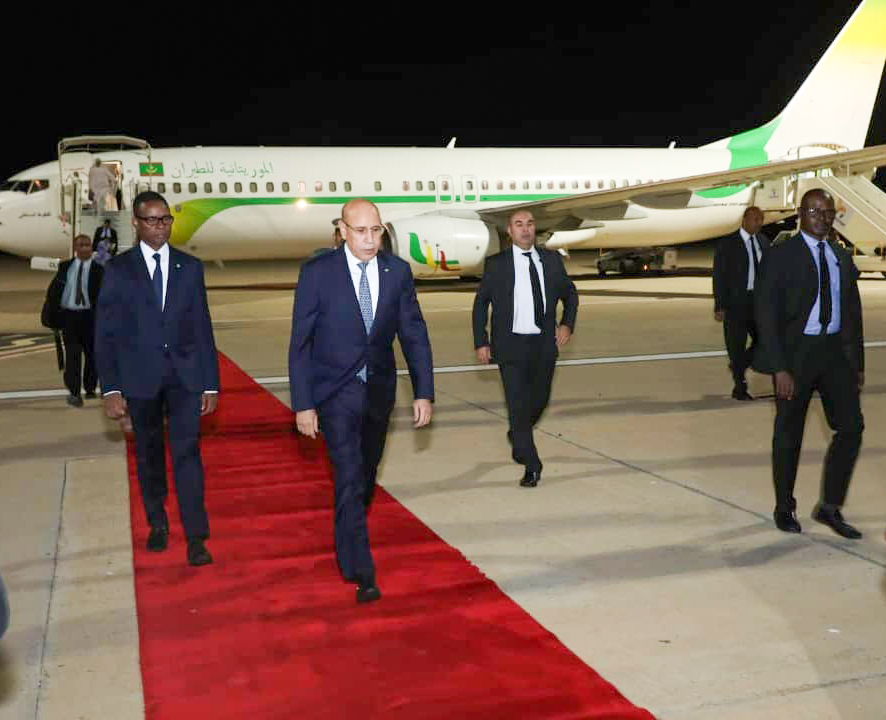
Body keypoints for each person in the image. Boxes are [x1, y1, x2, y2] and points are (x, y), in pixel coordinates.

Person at [289, 198, 434, 604]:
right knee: (349, 475)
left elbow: (413, 333)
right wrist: (303, 404)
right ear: (342, 231)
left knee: (365, 476)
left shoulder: (397, 271)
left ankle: (346, 533)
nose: (370, 240)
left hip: (379, 391)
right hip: (335, 392)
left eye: (376, 231)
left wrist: (423, 391)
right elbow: (300, 343)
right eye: (361, 231)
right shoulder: (318, 273)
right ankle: (363, 570)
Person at [95, 191, 220, 566]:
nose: (160, 226)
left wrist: (210, 382)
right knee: (149, 456)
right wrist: (111, 388)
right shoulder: (118, 270)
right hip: (140, 379)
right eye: (151, 220)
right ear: (135, 223)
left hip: (185, 379)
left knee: (187, 455)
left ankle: (196, 536)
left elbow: (202, 326)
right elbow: (106, 333)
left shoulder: (190, 267)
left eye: (165, 219)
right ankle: (158, 523)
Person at [754, 189, 865, 538]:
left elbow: (853, 313)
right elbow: (766, 314)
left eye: (828, 212)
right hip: (795, 356)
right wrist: (778, 367)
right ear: (801, 214)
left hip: (834, 354)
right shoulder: (781, 255)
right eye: (814, 211)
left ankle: (829, 506)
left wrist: (856, 364)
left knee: (852, 428)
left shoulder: (840, 256)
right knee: (789, 433)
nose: (822, 218)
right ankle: (784, 506)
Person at [472, 209, 578, 488]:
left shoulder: (551, 260)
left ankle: (518, 435)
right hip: (510, 346)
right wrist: (481, 341)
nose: (525, 229)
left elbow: (570, 294)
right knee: (517, 406)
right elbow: (481, 304)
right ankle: (532, 464)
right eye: (518, 224)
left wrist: (566, 324)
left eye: (530, 223)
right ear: (509, 231)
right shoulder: (497, 264)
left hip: (543, 344)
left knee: (539, 401)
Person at [713, 206, 770, 400]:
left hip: (759, 301)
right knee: (735, 345)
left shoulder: (763, 242)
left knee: (764, 340)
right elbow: (719, 276)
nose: (759, 224)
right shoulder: (728, 244)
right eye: (755, 219)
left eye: (761, 220)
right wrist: (720, 305)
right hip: (736, 302)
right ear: (745, 220)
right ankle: (740, 387)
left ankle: (739, 364)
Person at [45, 234, 103, 406]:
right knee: (72, 356)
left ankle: (90, 388)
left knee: (92, 356)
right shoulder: (65, 267)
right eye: (81, 245)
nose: (85, 248)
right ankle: (74, 392)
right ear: (75, 248)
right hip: (69, 317)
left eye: (88, 245)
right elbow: (53, 292)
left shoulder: (99, 270)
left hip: (90, 318)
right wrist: (54, 317)